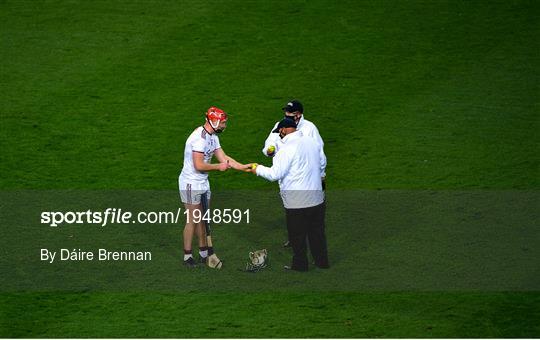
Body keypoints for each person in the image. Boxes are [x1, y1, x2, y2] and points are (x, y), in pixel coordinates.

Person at [250, 118, 329, 271]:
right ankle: (322, 262)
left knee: (297, 236)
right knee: (317, 233)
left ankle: (300, 265)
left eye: (279, 132)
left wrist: (257, 169)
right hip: (317, 199)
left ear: (283, 130)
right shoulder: (312, 142)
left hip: (296, 203)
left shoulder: (285, 150)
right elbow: (322, 162)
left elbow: (274, 174)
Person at [178, 106, 249, 267]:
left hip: (203, 181)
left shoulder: (213, 137)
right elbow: (198, 165)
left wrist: (243, 167)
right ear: (214, 121)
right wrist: (218, 167)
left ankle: (204, 253)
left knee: (204, 219)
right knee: (193, 219)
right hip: (190, 182)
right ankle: (187, 256)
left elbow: (224, 157)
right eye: (223, 123)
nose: (224, 126)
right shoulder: (199, 139)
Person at [262, 100, 327, 247]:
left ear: (298, 115)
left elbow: (320, 155)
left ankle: (311, 244)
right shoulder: (281, 125)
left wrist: (321, 175)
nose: (287, 116)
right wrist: (269, 150)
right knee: (292, 211)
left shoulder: (310, 129)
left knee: (311, 213)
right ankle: (295, 240)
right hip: (286, 177)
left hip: (306, 178)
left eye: (290, 114)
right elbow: (269, 145)